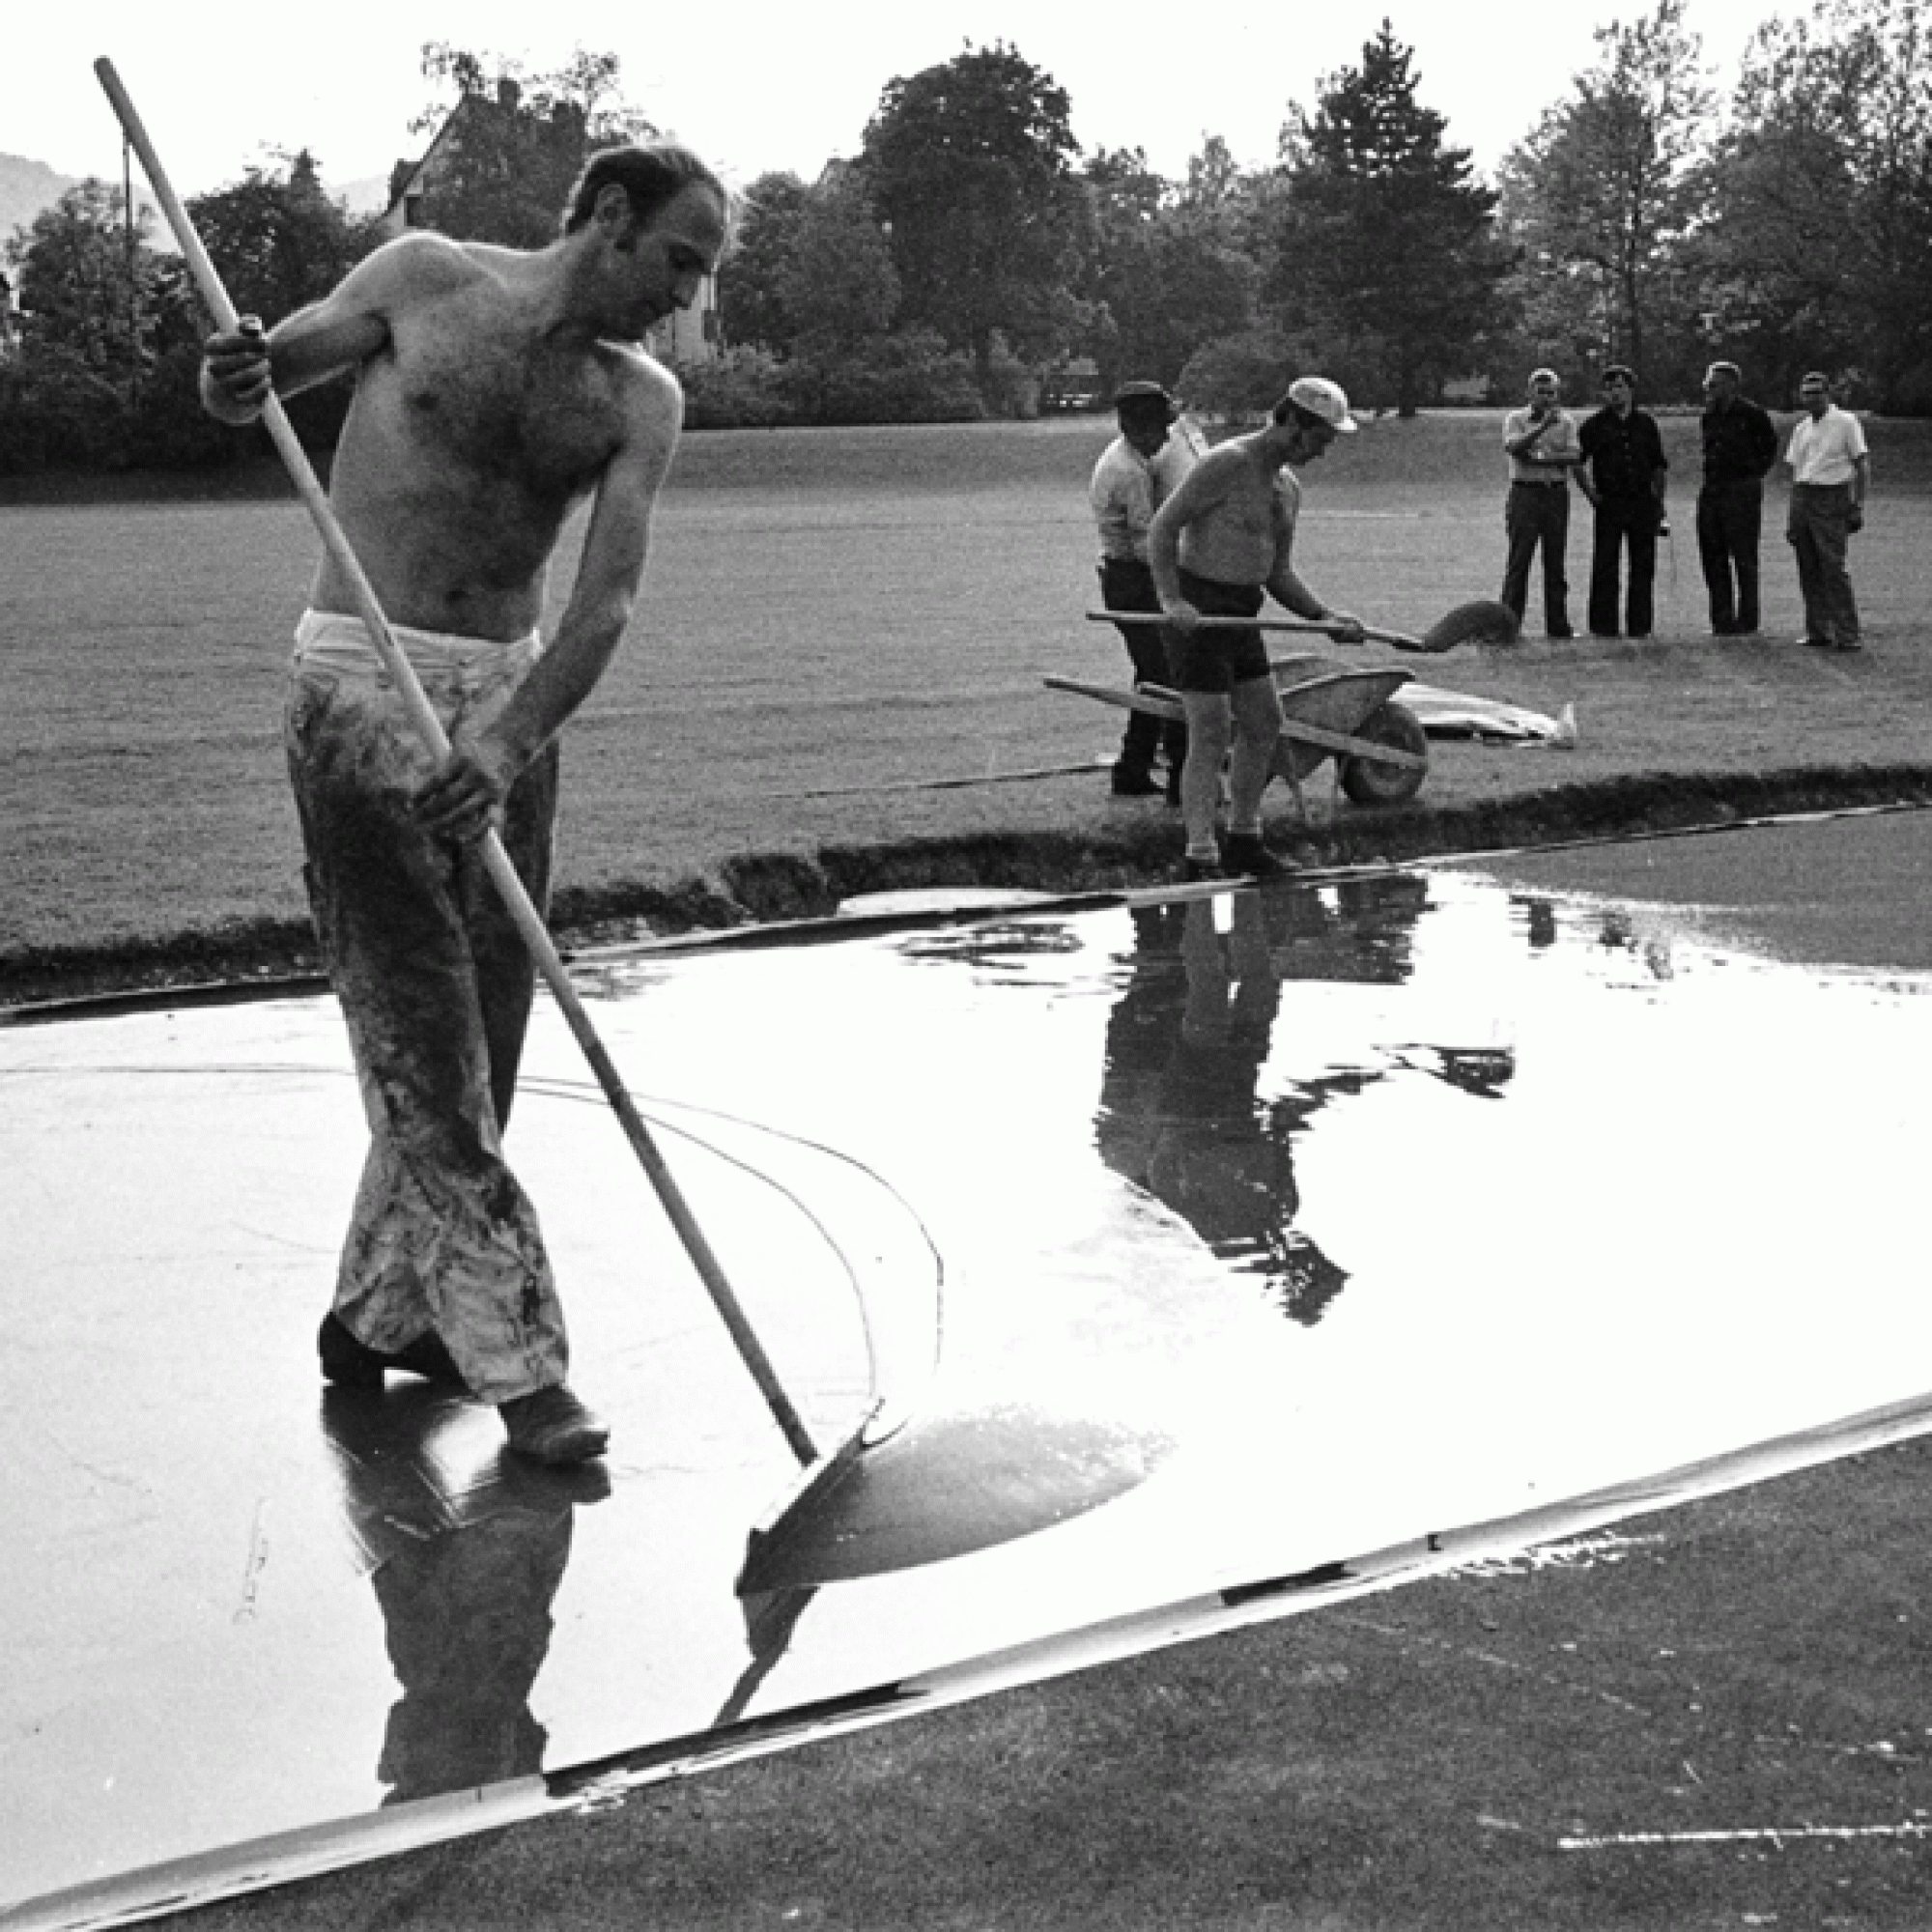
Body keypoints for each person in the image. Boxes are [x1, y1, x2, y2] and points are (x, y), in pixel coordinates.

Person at [199, 143, 730, 1465]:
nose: (684, 296)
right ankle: (523, 1366)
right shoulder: (425, 279)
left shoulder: (639, 399)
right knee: (422, 1040)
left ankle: (377, 1319)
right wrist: (233, 374)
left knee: (481, 1050)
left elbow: (603, 601)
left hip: (505, 710)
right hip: (360, 685)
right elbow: (270, 373)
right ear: (609, 216)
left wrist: (506, 742)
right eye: (679, 260)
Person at [1148, 377, 1365, 882]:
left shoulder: (1287, 488)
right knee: (1211, 731)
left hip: (1242, 613)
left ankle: (1245, 839)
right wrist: (1171, 599)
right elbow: (1164, 527)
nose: (1322, 452)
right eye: (1319, 439)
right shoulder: (1226, 465)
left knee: (1265, 722)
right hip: (1200, 612)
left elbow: (1278, 572)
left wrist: (1323, 618)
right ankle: (1199, 853)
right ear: (1290, 420)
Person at [1090, 382, 1199, 797]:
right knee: (1169, 676)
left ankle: (1132, 769)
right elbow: (1146, 543)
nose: (1167, 438)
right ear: (1137, 429)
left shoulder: (1137, 460)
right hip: (1133, 582)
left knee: (1151, 674)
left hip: (1130, 577)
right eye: (1160, 431)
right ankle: (1179, 779)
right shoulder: (1128, 472)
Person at [1577, 365, 1669, 639]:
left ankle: (1639, 624)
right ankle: (1604, 625)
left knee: (1642, 564)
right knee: (1605, 563)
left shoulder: (1646, 424)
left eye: (1620, 386)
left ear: (1631, 390)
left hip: (1641, 500)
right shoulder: (1594, 425)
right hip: (1610, 501)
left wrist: (1659, 501)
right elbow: (1577, 462)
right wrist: (1591, 494)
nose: (1615, 392)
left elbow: (1658, 465)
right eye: (1610, 388)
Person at [1784, 370, 1870, 652]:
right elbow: (1796, 472)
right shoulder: (1802, 428)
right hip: (1804, 495)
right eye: (1806, 393)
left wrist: (1857, 504)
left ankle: (1848, 633)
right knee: (1807, 567)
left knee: (1833, 567)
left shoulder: (1845, 422)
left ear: (1827, 393)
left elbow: (1861, 464)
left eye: (1816, 392)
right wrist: (1793, 514)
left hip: (1832, 496)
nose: (1811, 398)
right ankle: (1818, 630)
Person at [1694, 361, 1779, 638]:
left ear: (1731, 385)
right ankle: (1722, 619)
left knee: (1744, 557)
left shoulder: (1752, 415)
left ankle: (1747, 619)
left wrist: (1751, 474)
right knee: (1713, 556)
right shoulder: (1709, 415)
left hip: (1740, 491)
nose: (1709, 389)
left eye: (1714, 384)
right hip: (1713, 490)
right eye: (1708, 384)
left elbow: (1769, 449)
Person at [1498, 367, 1581, 640]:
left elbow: (1574, 456)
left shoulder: (1568, 422)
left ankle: (1558, 626)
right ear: (1530, 392)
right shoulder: (1515, 419)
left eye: (1551, 392)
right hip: (1525, 494)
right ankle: (1508, 625)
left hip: (1555, 494)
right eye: (1541, 392)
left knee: (1555, 562)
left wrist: (1538, 457)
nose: (1546, 398)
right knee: (1519, 562)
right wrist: (1542, 429)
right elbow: (1514, 448)